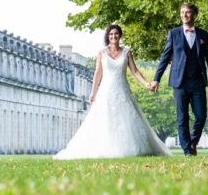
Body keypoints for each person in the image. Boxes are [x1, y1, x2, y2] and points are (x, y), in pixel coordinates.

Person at [54, 24, 171, 160]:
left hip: (122, 90)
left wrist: (146, 84)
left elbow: (135, 71)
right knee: (105, 119)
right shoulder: (101, 53)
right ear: (107, 37)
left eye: (116, 34)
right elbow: (98, 73)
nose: (113, 36)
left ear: (120, 35)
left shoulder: (127, 52)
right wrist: (92, 93)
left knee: (127, 119)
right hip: (106, 91)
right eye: (111, 34)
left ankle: (131, 148)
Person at [150, 3, 208, 156]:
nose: (184, 15)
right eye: (182, 12)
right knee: (182, 118)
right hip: (179, 82)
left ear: (194, 15)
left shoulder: (203, 35)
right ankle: (187, 150)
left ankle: (193, 142)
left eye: (188, 12)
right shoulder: (173, 33)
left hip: (198, 82)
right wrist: (156, 78)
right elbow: (165, 57)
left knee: (201, 116)